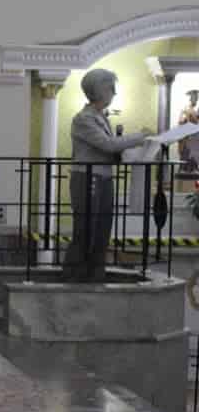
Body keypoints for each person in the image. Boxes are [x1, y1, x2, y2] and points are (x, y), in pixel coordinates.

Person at [62, 69, 149, 282]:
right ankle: (75, 277)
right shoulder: (83, 119)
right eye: (111, 88)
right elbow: (107, 144)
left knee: (102, 231)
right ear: (100, 90)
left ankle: (96, 275)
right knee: (86, 231)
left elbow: (109, 149)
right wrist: (140, 137)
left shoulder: (101, 117)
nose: (114, 93)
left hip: (103, 177)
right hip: (87, 178)